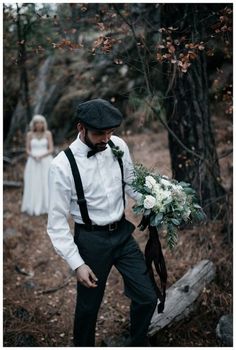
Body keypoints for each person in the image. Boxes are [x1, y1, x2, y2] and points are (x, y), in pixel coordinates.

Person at [47, 99, 157, 346]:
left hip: (122, 234)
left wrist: (155, 201)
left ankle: (137, 342)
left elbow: (130, 182)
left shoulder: (117, 145)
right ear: (80, 128)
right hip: (90, 242)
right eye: (99, 133)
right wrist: (77, 264)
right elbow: (56, 224)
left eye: (110, 132)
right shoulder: (61, 166)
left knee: (148, 297)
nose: (106, 139)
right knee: (88, 309)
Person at [21, 114, 54, 216]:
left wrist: (42, 156)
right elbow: (27, 149)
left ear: (43, 124)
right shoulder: (30, 135)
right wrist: (33, 155)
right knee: (34, 182)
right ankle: (33, 204)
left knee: (46, 181)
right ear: (34, 125)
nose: (39, 125)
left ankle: (47, 205)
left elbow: (51, 149)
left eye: (41, 123)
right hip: (33, 162)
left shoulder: (48, 134)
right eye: (36, 123)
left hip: (45, 161)